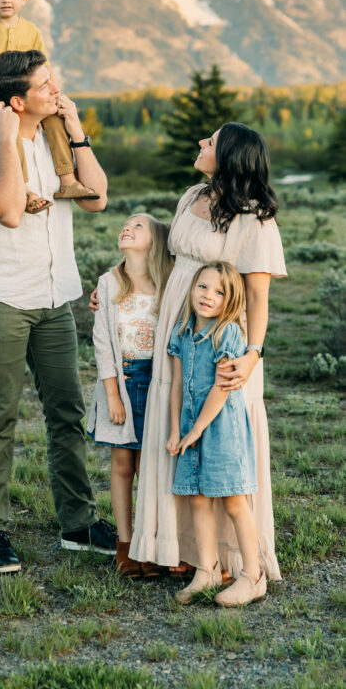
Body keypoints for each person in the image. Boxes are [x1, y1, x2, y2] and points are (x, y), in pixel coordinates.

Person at [0, 48, 115, 574]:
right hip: (0, 295)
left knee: (66, 412)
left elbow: (96, 198)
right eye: (46, 86)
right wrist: (7, 139)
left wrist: (74, 127)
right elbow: (5, 211)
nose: (56, 89)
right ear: (16, 101)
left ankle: (78, 523)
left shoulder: (54, 138)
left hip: (54, 296)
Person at [128, 122, 287, 581]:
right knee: (175, 420)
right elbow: (168, 256)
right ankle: (179, 549)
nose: (201, 143)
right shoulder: (192, 195)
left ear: (232, 156)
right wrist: (117, 284)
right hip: (177, 329)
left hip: (222, 338)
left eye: (212, 142)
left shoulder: (253, 216)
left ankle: (233, 559)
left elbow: (258, 295)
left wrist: (253, 352)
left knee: (219, 436)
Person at [167, 262, 266, 606]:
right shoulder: (182, 332)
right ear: (192, 288)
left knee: (234, 500)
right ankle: (206, 570)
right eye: (203, 287)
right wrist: (174, 430)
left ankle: (253, 576)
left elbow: (223, 388)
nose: (208, 296)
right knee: (197, 497)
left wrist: (196, 429)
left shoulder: (229, 334)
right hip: (190, 428)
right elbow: (177, 385)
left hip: (221, 429)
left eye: (219, 291)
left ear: (230, 300)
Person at [0, 0, 98, 213]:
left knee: (55, 121)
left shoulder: (32, 31)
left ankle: (68, 180)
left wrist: (55, 97)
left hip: (26, 96)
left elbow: (44, 68)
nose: (7, 0)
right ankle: (24, 188)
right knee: (8, 129)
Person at [86, 214, 171, 577]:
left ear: (156, 241)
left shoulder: (169, 283)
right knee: (123, 465)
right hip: (122, 380)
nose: (128, 228)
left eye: (139, 226)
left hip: (159, 382)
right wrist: (113, 396)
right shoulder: (109, 283)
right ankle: (125, 546)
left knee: (151, 467)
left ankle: (149, 545)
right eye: (126, 223)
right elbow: (102, 341)